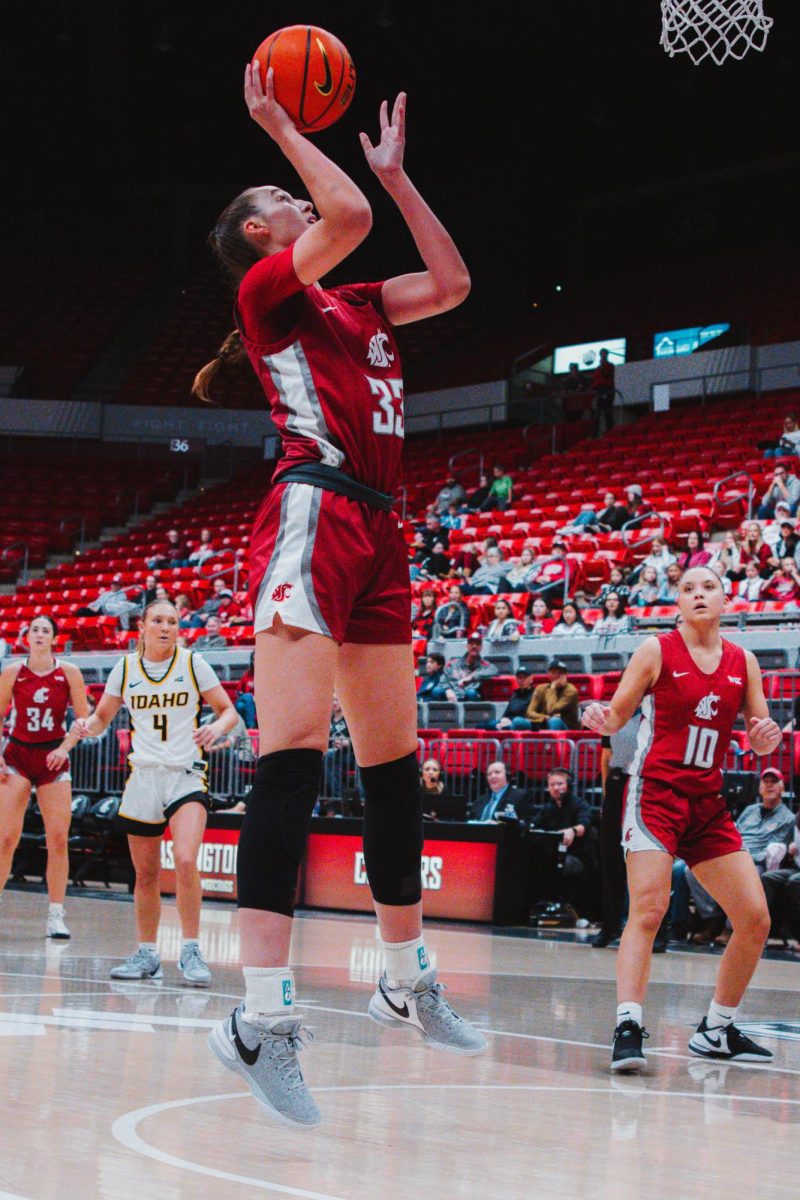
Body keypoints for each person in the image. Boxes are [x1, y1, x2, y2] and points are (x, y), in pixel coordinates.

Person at [190, 74, 486, 1126]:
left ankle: (402, 976)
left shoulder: (355, 302)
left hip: (380, 528)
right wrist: (276, 121)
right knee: (290, 765)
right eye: (280, 193)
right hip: (314, 512)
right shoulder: (268, 293)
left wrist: (401, 181)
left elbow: (449, 281)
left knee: (396, 773)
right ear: (260, 234)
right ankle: (257, 1021)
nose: (299, 200)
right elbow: (343, 215)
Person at [582, 564, 781, 1071]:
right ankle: (628, 1024)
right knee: (648, 909)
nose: (698, 594)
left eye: (707, 587)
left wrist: (764, 739)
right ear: (677, 602)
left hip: (706, 804)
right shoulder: (656, 650)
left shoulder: (745, 661)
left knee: (755, 919)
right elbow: (619, 711)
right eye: (688, 588)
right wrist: (600, 715)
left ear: (724, 598)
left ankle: (717, 1028)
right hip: (656, 794)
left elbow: (759, 733)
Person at [65, 600, 238, 984]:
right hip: (143, 777)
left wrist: (217, 728)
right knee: (145, 873)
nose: (165, 627)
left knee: (187, 858)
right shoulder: (125, 668)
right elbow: (102, 719)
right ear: (141, 626)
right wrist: (86, 727)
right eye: (158, 620)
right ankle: (147, 954)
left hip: (185, 774)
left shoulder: (193, 664)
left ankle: (191, 949)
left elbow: (229, 711)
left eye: (172, 622)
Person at [0, 615, 88, 939]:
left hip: (53, 755)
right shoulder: (12, 672)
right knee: (6, 839)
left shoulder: (69, 673)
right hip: (18, 755)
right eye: (34, 629)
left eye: (45, 630)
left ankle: (56, 915)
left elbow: (83, 719)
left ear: (54, 639)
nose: (38, 634)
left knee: (58, 839)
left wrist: (65, 748)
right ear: (27, 637)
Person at [687, 766, 796, 946]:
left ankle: (732, 927)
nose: (769, 786)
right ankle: (711, 919)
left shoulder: (788, 818)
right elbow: (734, 833)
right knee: (691, 871)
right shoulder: (749, 811)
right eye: (765, 782)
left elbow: (778, 849)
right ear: (759, 787)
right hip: (732, 854)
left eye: (774, 782)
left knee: (751, 872)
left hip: (758, 861)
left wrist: (743, 859)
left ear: (782, 788)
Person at [594, 710, 642, 949]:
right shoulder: (613, 715)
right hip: (617, 784)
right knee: (610, 858)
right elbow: (605, 757)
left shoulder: (655, 711)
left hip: (645, 785)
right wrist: (607, 795)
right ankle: (610, 925)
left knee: (645, 859)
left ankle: (654, 930)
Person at [528, 767, 596, 917]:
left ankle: (569, 908)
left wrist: (572, 830)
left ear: (569, 785)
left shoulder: (579, 804)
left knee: (557, 865)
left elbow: (584, 825)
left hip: (579, 856)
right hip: (554, 854)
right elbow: (534, 825)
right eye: (552, 785)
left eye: (560, 784)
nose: (556, 788)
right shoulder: (548, 808)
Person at [523, 659, 580, 730]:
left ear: (565, 675)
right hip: (543, 722)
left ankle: (552, 741)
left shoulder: (571, 691)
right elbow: (529, 712)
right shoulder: (540, 689)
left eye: (560, 673)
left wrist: (553, 688)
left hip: (567, 727)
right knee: (518, 721)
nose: (556, 676)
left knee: (555, 721)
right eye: (553, 672)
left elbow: (551, 709)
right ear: (548, 674)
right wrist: (545, 717)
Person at [442, 635, 498, 700]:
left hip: (469, 696)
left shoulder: (485, 665)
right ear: (467, 646)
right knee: (437, 691)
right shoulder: (453, 662)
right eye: (471, 643)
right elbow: (443, 678)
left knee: (471, 693)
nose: (474, 646)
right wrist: (447, 689)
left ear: (481, 647)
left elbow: (494, 670)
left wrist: (471, 678)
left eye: (477, 644)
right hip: (452, 694)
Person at [591, 348, 615, 434]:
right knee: (596, 413)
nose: (603, 356)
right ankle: (595, 432)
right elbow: (595, 381)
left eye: (604, 354)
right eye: (602, 354)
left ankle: (609, 430)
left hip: (607, 390)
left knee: (607, 412)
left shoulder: (610, 366)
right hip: (598, 392)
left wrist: (603, 366)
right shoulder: (597, 369)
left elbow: (607, 375)